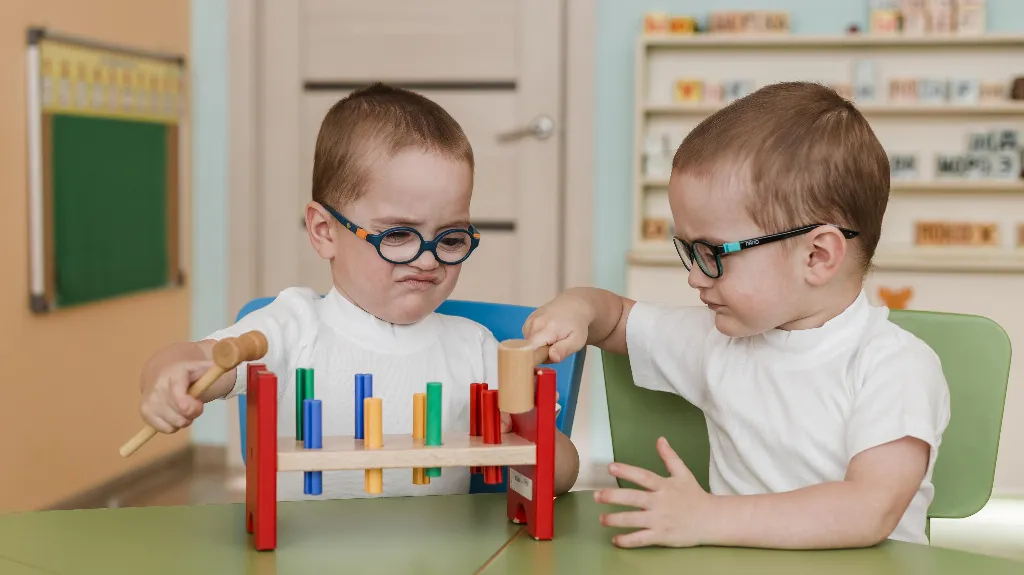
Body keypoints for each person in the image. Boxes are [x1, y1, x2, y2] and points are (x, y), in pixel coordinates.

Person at [523, 82, 949, 549]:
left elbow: (869, 510)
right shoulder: (720, 338)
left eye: (712, 252)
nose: (696, 277)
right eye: (689, 251)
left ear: (817, 256)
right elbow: (617, 320)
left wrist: (707, 518)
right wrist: (579, 306)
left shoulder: (894, 365)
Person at [136, 82, 579, 499]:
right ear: (325, 231)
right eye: (398, 236)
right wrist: (168, 378)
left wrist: (525, 426)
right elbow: (197, 361)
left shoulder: (474, 347)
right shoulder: (292, 326)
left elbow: (558, 478)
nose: (428, 259)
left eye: (450, 239)